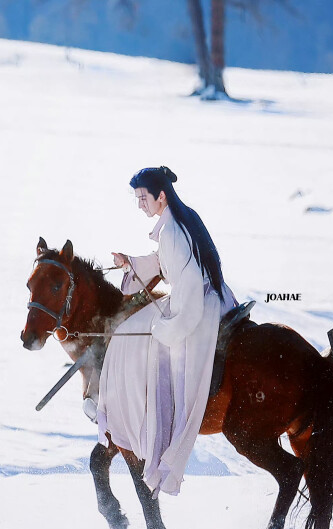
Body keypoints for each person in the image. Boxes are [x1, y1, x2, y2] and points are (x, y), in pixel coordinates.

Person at [96, 166, 238, 497]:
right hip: (210, 298)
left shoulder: (173, 230)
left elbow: (187, 290)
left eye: (143, 198)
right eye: (137, 200)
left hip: (197, 309)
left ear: (161, 196)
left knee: (144, 349)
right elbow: (163, 262)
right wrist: (129, 262)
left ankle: (157, 434)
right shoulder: (178, 221)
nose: (140, 205)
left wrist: (167, 330)